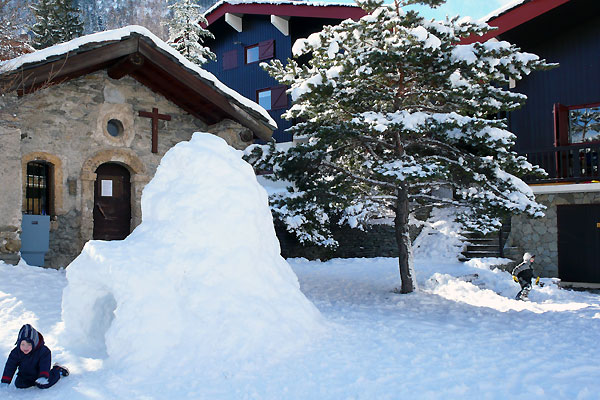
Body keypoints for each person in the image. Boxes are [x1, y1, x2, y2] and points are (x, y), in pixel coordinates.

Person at [1, 324, 69, 390]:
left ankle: (57, 370)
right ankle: (32, 381)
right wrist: (5, 380)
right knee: (19, 384)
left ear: (35, 343)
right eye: (23, 344)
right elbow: (10, 366)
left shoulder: (43, 351)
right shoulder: (16, 352)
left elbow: (44, 364)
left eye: (29, 344)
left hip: (39, 373)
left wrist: (43, 376)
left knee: (44, 384)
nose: (25, 347)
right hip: (26, 375)